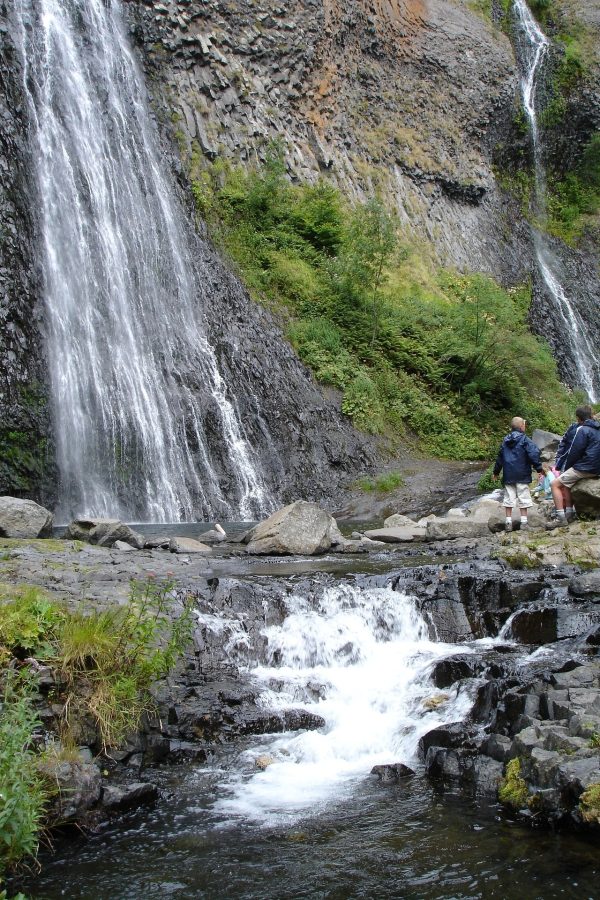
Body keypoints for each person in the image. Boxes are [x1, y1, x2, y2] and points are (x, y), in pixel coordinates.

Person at [549, 408, 600, 527]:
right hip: (597, 467)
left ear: (578, 418)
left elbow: (574, 451)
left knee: (554, 484)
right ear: (592, 415)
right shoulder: (598, 428)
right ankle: (569, 513)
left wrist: (565, 467)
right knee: (567, 483)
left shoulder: (582, 429)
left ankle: (561, 518)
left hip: (586, 467)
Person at [493, 416, 543, 532]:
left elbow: (499, 458)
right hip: (522, 474)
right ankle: (524, 523)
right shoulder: (525, 440)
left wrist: (496, 472)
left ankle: (508, 522)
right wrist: (539, 468)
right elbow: (533, 454)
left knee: (509, 498)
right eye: (524, 424)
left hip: (508, 474)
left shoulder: (505, 441)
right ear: (521, 427)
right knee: (523, 497)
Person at [555, 405, 592, 472]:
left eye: (577, 416)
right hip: (564, 458)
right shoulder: (573, 426)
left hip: (576, 464)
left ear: (579, 417)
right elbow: (564, 440)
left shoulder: (590, 431)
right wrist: (558, 456)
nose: (576, 418)